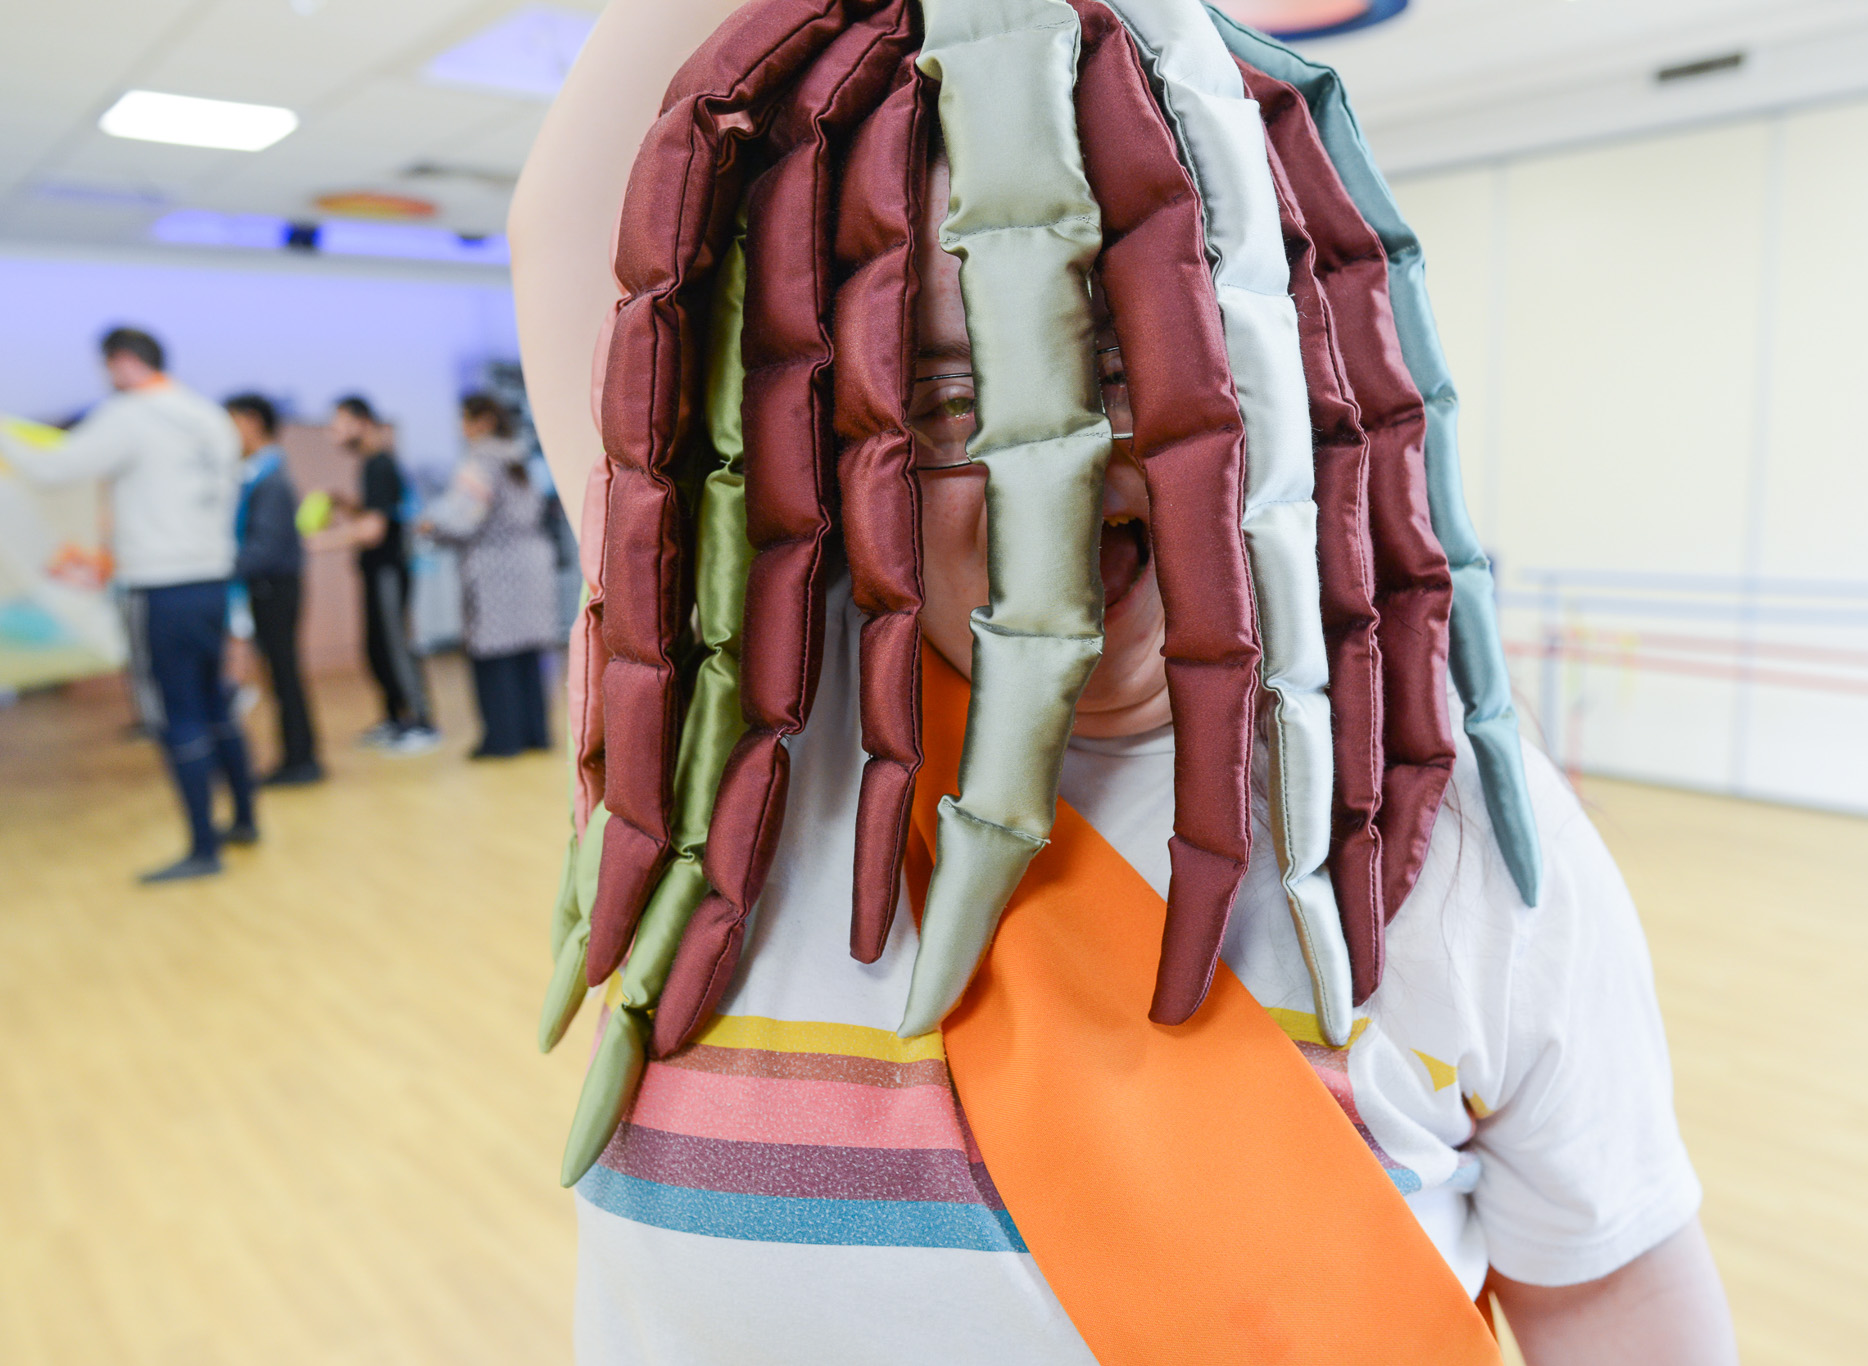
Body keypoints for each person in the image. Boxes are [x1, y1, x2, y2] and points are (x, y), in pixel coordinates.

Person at [510, 1, 1741, 1362]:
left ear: (1280, 370)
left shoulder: (1442, 833)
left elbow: (1618, 1299)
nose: (1070, 455)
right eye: (945, 387)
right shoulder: (714, 715)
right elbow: (579, 232)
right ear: (824, 433)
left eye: (1143, 350)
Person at [0, 326, 257, 881]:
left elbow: (51, 469)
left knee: (174, 714)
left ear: (120, 363)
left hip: (159, 588)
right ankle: (244, 820)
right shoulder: (208, 416)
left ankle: (203, 850)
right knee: (217, 703)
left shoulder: (131, 414)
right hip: (210, 582)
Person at [419, 393, 557, 759]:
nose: (460, 428)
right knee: (528, 657)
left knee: (494, 658)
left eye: (464, 419)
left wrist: (430, 525)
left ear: (482, 422)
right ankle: (536, 735)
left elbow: (465, 519)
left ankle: (502, 740)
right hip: (532, 562)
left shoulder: (479, 461)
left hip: (495, 567)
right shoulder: (521, 457)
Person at [323, 395, 439, 755]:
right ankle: (394, 719)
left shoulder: (379, 464)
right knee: (377, 648)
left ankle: (421, 723)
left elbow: (374, 530)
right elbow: (378, 513)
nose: (333, 433)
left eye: (338, 423)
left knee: (394, 646)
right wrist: (347, 505)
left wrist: (316, 542)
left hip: (389, 570)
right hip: (376, 571)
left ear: (361, 422)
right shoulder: (372, 464)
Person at [223, 393, 323, 785]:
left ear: (251, 422)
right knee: (280, 675)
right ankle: (297, 757)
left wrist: (218, 569)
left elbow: (263, 547)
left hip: (275, 587)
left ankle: (301, 760)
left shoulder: (271, 478)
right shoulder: (257, 474)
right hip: (268, 587)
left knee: (284, 675)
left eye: (230, 422)